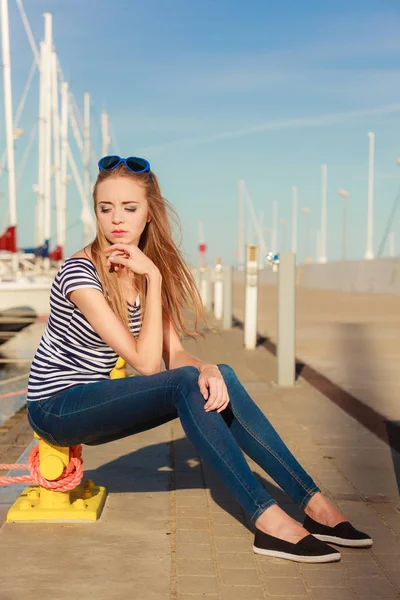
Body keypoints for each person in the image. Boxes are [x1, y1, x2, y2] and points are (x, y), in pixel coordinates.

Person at [26, 156, 372, 563]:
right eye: (106, 208)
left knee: (214, 374)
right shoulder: (80, 273)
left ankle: (312, 503)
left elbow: (173, 354)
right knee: (186, 383)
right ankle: (267, 520)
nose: (116, 219)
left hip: (97, 395)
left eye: (129, 208)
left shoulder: (140, 267)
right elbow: (148, 364)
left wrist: (207, 367)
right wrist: (153, 278)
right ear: (96, 210)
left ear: (149, 212)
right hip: (57, 406)